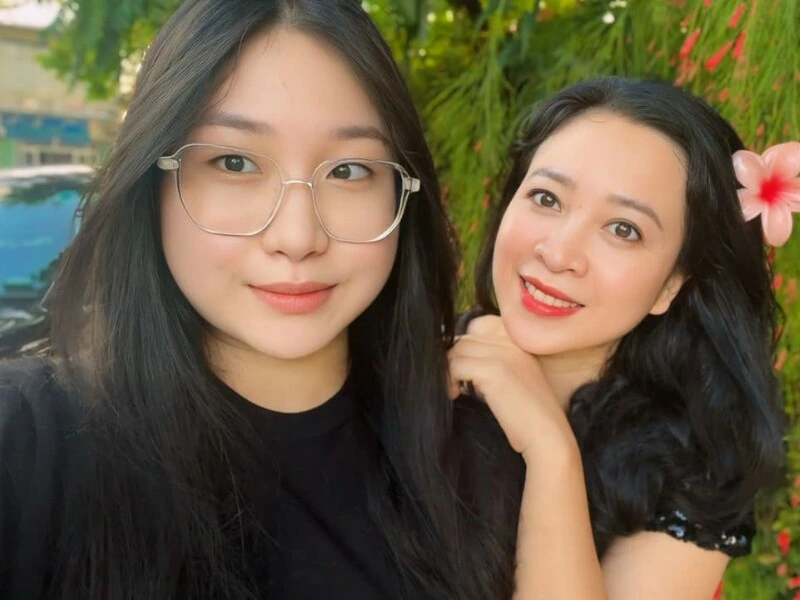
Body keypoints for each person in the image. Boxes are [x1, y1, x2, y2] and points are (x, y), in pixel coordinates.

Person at [0, 1, 525, 598]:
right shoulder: (26, 448)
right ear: (153, 182)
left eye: (349, 171)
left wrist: (553, 457)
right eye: (235, 162)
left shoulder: (479, 460)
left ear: (404, 194)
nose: (298, 237)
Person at [449, 77, 788, 599]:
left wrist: (549, 450)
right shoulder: (400, 361)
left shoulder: (690, 478)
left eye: (623, 229)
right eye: (546, 198)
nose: (559, 253)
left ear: (672, 284)